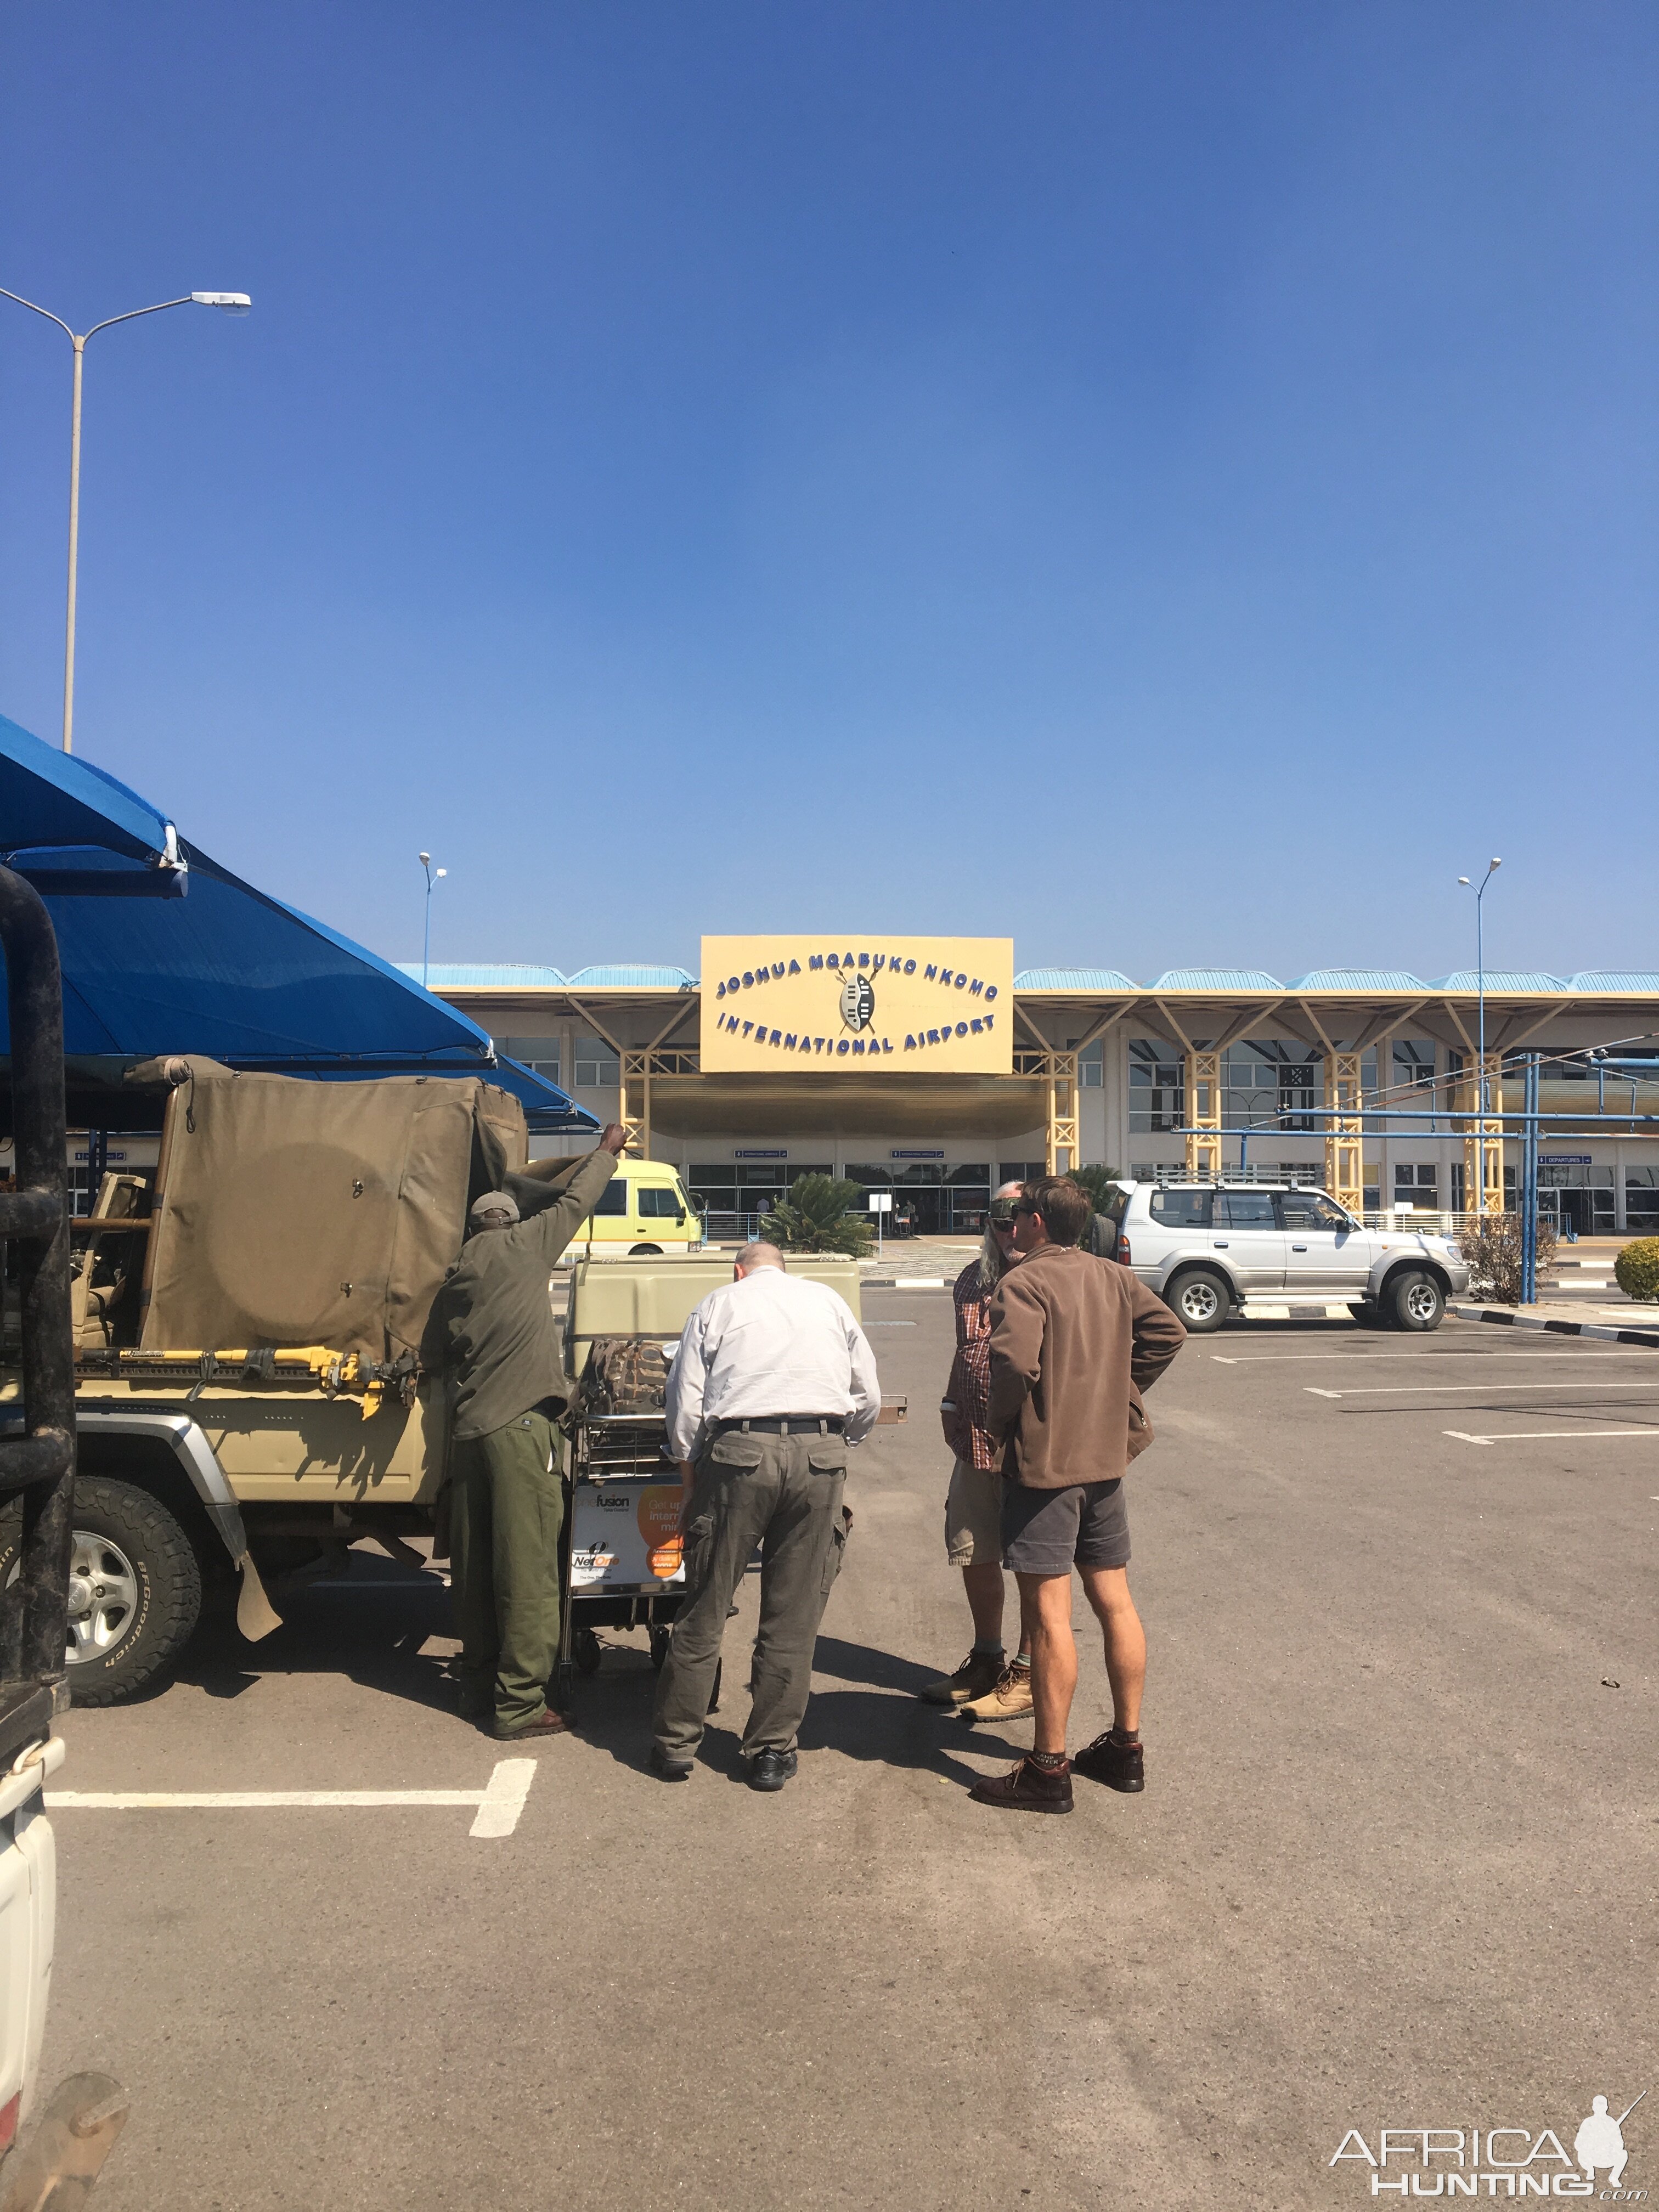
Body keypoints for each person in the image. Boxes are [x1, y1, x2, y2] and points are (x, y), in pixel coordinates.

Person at [971, 1176, 1186, 1814]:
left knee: (1047, 1614)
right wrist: (1123, 1391)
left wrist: (1000, 1422)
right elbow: (1168, 1334)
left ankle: (1048, 1767)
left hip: (1045, 1469)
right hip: (1104, 1462)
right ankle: (1125, 1747)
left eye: (1018, 1215)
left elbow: (1013, 1365)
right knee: (1115, 1601)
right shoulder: (1113, 1277)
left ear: (1037, 1221)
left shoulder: (1023, 1282)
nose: (1012, 1224)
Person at [651, 1242, 880, 1791]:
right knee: (793, 1616)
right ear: (786, 1270)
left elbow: (685, 1401)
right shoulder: (827, 1302)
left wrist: (689, 1465)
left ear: (739, 1271)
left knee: (706, 1604)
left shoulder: (718, 1304)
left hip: (739, 1456)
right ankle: (771, 1751)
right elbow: (866, 1393)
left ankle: (677, 1744)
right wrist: (836, 1440)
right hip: (819, 1457)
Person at [434, 1121, 630, 1740]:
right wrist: (605, 1151)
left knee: (475, 1573)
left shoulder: (455, 1276)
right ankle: (519, 1706)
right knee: (528, 1575)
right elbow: (577, 1201)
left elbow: (435, 1355)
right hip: (522, 1432)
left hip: (469, 1437)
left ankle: (475, 1685)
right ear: (509, 1221)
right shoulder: (525, 1246)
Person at [920, 1182, 1035, 1720]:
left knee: (1036, 1560)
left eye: (1020, 1215)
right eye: (1000, 1216)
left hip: (1035, 1448)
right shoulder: (973, 1280)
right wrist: (949, 1403)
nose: (1010, 1227)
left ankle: (1030, 1673)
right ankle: (987, 1658)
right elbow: (968, 1352)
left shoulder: (1054, 1277)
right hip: (974, 1442)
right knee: (974, 1547)